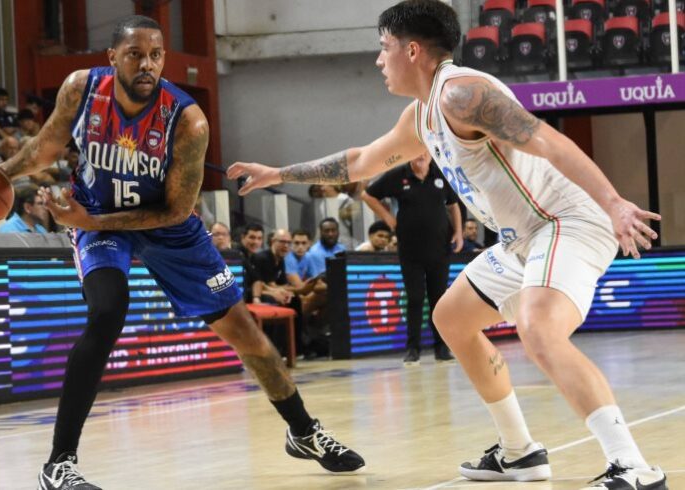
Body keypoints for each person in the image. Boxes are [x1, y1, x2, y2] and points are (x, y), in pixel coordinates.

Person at [227, 1, 665, 488]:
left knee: (539, 330)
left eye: (384, 47)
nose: (379, 60)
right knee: (452, 318)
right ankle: (519, 451)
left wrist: (613, 202)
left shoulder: (463, 93)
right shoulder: (422, 115)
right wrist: (278, 174)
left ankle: (633, 467)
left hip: (564, 221)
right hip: (521, 238)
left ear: (412, 50)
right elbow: (362, 161)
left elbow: (546, 140)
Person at [0, 16, 363, 489]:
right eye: (135, 54)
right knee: (107, 311)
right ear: (112, 57)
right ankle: (59, 463)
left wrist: (92, 223)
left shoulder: (188, 120)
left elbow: (174, 211)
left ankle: (303, 431)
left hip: (163, 226)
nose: (146, 64)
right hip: (98, 214)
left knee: (246, 334)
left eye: (155, 55)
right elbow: (44, 150)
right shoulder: (81, 89)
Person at [362, 151, 462, 363]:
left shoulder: (441, 173)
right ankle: (413, 348)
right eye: (416, 152)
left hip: (440, 249)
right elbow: (367, 195)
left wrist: (459, 233)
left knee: (439, 299)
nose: (421, 156)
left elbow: (453, 205)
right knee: (415, 298)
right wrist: (388, 218)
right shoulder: (398, 175)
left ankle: (441, 348)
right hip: (410, 250)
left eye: (424, 152)